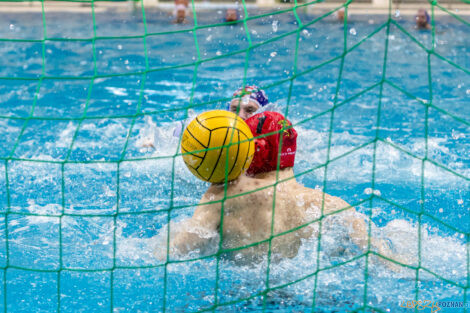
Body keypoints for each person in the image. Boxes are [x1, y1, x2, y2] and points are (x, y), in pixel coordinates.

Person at [162, 112, 408, 268]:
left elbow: (175, 253)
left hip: (240, 297)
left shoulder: (224, 196)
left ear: (253, 149)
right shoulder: (332, 204)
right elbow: (386, 262)